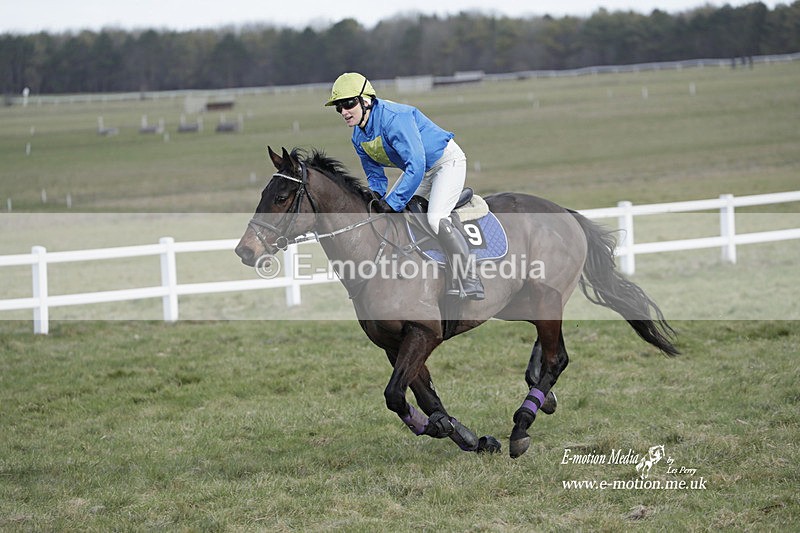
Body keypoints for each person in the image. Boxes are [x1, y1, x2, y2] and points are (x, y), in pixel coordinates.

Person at [325, 72, 484, 300]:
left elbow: (416, 164)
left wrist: (393, 202)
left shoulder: (394, 118)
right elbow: (375, 176)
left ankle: (470, 278)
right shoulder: (357, 137)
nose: (344, 112)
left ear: (366, 100)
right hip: (419, 171)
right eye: (338, 107)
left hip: (446, 162)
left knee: (435, 218)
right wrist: (377, 199)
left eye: (348, 103)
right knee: (393, 216)